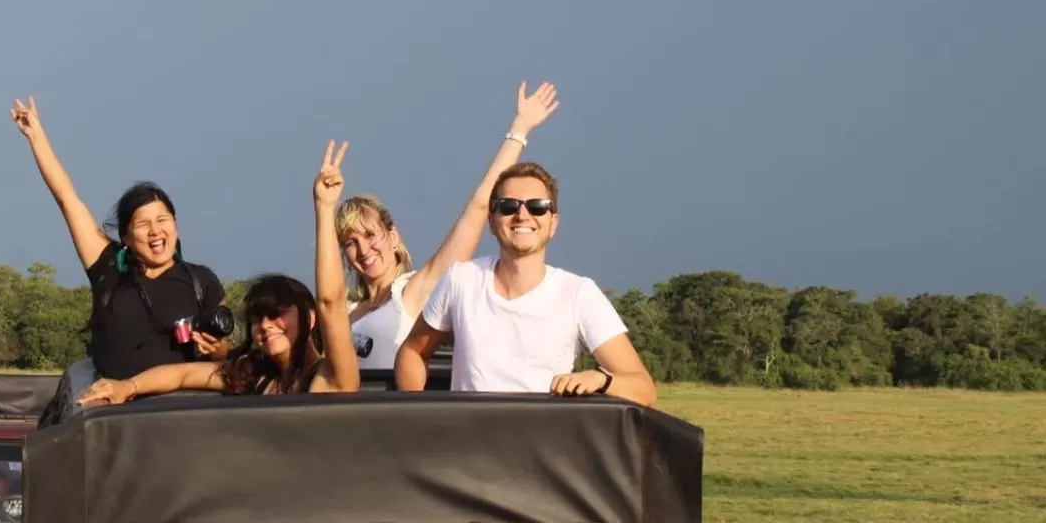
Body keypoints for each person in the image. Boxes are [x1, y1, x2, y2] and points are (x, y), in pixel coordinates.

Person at [78, 140, 361, 402]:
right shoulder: (254, 375)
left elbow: (331, 301)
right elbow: (183, 374)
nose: (266, 325)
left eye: (277, 314)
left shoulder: (331, 378)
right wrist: (127, 388)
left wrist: (324, 208)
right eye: (258, 319)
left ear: (310, 318)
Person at [10, 96, 229, 402]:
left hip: (181, 416)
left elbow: (223, 355)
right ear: (126, 236)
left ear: (175, 225)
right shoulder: (108, 267)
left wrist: (216, 348)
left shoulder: (201, 280)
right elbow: (67, 198)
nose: (155, 231)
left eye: (162, 220)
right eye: (143, 224)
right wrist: (36, 136)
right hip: (114, 414)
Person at [338, 81, 560, 371]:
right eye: (350, 242)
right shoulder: (347, 311)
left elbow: (478, 209)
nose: (363, 249)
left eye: (370, 235)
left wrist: (518, 132)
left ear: (392, 236)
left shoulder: (412, 291)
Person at [394, 162, 657, 406]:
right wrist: (421, 419)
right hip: (469, 449)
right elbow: (413, 352)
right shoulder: (461, 280)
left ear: (552, 223)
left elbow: (643, 388)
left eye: (537, 206)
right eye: (508, 206)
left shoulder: (578, 293)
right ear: (492, 222)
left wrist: (600, 379)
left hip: (541, 450)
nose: (522, 215)